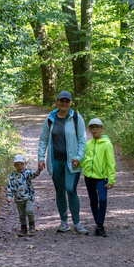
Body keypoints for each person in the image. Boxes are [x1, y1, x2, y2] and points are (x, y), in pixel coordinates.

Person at [38, 90, 89, 235]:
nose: (64, 104)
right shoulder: (50, 119)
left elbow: (82, 141)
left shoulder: (76, 118)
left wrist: (79, 158)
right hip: (55, 162)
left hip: (72, 162)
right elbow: (43, 140)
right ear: (57, 101)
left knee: (70, 189)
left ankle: (77, 223)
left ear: (70, 103)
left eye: (67, 101)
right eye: (62, 101)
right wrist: (41, 158)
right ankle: (64, 222)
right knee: (60, 190)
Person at [80, 118, 116, 237]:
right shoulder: (89, 143)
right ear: (89, 130)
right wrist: (79, 164)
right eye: (92, 128)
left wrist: (111, 180)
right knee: (93, 200)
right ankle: (99, 226)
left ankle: (99, 225)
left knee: (103, 200)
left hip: (101, 177)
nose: (95, 130)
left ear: (102, 129)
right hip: (89, 176)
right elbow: (87, 159)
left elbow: (111, 163)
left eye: (97, 127)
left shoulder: (107, 144)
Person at [6, 154, 41, 236]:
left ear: (25, 164)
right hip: (18, 199)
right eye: (17, 165)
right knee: (21, 214)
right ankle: (23, 228)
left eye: (22, 164)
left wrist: (38, 170)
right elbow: (10, 186)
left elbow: (33, 174)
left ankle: (32, 225)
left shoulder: (27, 173)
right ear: (15, 165)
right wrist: (9, 196)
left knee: (29, 210)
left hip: (28, 197)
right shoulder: (13, 175)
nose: (20, 166)